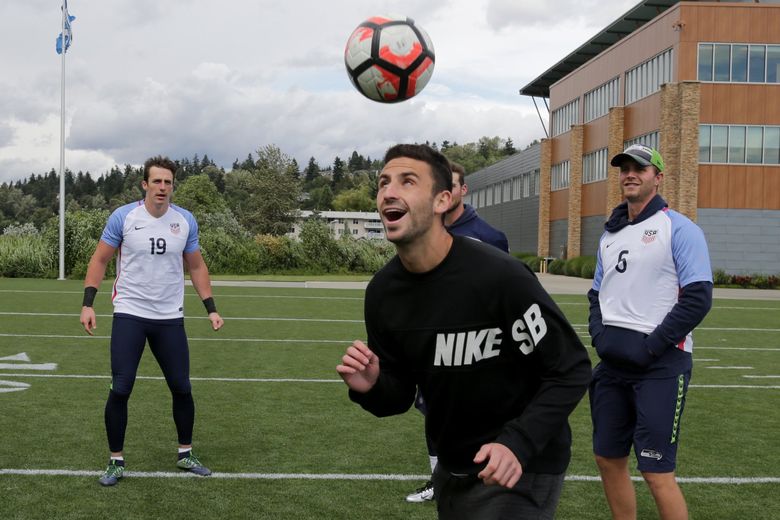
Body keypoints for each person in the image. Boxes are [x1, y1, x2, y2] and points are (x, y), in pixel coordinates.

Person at [337, 144, 591, 519]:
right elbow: (400, 396)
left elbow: (570, 368)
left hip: (519, 468)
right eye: (383, 183)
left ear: (442, 200)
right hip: (453, 467)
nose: (388, 192)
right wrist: (373, 386)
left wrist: (517, 444)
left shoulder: (499, 276)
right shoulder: (383, 294)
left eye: (407, 182)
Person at [80, 155, 224, 487]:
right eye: (156, 181)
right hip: (130, 313)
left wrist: (211, 308)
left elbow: (197, 266)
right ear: (145, 184)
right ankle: (116, 460)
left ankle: (185, 454)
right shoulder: (124, 217)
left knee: (181, 387)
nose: (162, 187)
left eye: (168, 182)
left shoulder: (185, 220)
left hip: (169, 318)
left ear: (173, 186)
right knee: (121, 387)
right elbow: (100, 260)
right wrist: (88, 304)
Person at [588, 144, 713, 520]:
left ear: (657, 177)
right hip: (612, 367)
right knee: (608, 459)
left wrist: (651, 347)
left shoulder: (680, 228)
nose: (630, 173)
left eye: (639, 168)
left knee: (657, 472)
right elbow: (597, 293)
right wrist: (600, 336)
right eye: (624, 168)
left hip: (661, 366)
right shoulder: (610, 234)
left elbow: (698, 298)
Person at [405, 160, 510, 503]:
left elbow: (506, 295)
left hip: (477, 347)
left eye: (453, 185)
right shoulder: (423, 233)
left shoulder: (489, 237)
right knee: (433, 413)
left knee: (478, 414)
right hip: (433, 343)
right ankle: (439, 481)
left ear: (463, 190)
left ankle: (481, 478)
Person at [444, 161, 509, 252]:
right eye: (441, 186)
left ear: (463, 190)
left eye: (451, 186)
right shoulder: (426, 232)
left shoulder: (491, 238)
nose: (446, 193)